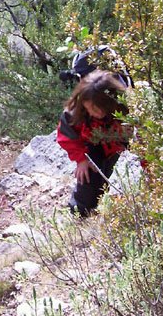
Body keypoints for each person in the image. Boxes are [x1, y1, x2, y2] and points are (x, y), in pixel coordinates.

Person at [55, 70, 132, 216]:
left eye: (95, 108)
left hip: (121, 145)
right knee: (87, 184)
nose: (91, 113)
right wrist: (81, 159)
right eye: (88, 108)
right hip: (94, 146)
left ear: (108, 102)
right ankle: (81, 212)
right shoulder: (76, 111)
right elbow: (67, 135)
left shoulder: (126, 109)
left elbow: (145, 143)